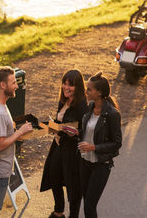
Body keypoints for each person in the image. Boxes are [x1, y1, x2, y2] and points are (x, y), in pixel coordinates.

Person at [0, 66, 33, 218]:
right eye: (13, 82)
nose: (16, 86)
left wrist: (16, 132)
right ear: (2, 85)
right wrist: (20, 132)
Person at [40, 69, 88, 218]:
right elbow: (60, 123)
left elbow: (83, 131)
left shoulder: (82, 106)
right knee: (53, 175)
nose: (66, 87)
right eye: (64, 83)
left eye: (71, 85)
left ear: (78, 87)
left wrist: (68, 131)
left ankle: (73, 215)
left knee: (73, 186)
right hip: (58, 145)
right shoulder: (63, 101)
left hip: (73, 151)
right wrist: (50, 127)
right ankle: (58, 211)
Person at [78, 72, 122, 218]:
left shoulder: (112, 114)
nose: (86, 91)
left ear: (99, 93)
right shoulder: (89, 108)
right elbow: (86, 132)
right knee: (87, 203)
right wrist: (75, 134)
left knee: (89, 206)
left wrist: (94, 147)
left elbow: (117, 143)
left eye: (89, 89)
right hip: (85, 162)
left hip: (101, 165)